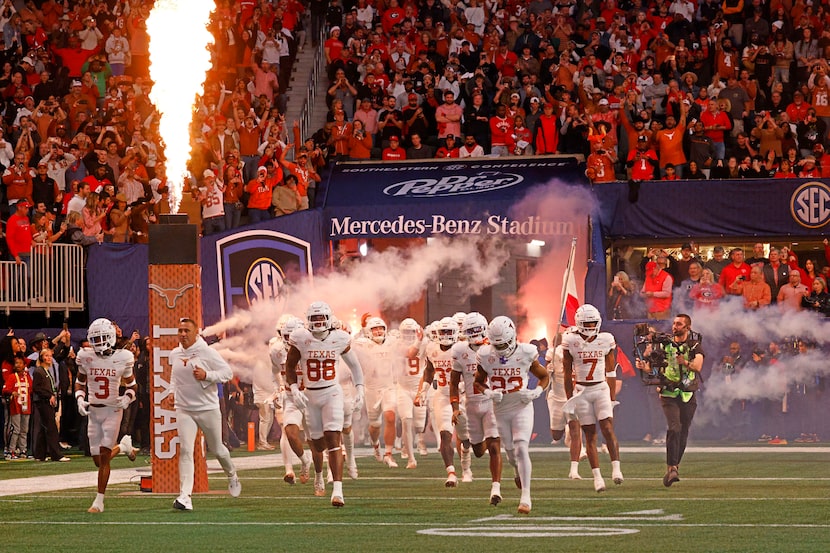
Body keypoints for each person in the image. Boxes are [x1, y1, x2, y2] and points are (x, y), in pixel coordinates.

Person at [285, 301, 366, 507]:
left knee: (333, 438)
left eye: (322, 318)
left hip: (332, 392)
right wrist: (294, 388)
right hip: (310, 395)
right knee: (318, 445)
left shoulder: (339, 338)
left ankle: (338, 491)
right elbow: (290, 366)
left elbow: (355, 366)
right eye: (314, 318)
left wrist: (360, 388)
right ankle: (318, 473)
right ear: (308, 321)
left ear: (329, 319)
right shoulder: (301, 338)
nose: (319, 322)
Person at [475, 316, 549, 514]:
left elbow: (544, 376)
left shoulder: (525, 352)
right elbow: (478, 382)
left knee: (521, 448)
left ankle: (526, 496)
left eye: (504, 344)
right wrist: (488, 392)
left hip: (522, 406)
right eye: (496, 345)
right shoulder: (484, 355)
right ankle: (517, 471)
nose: (501, 349)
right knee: (510, 454)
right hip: (500, 409)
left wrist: (536, 392)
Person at [169, 318, 241, 511]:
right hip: (184, 409)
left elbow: (227, 373)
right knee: (185, 449)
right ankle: (185, 496)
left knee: (217, 449)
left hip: (207, 408)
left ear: (196, 333)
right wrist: (170, 392)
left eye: (187, 330)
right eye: (180, 330)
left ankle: (232, 475)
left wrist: (207, 376)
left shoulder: (207, 352)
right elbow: (174, 376)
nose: (183, 334)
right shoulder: (175, 353)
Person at [74, 318, 137, 513]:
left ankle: (99, 501)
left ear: (110, 337)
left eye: (102, 338)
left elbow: (133, 386)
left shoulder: (123, 357)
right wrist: (79, 398)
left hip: (112, 410)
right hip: (94, 411)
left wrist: (127, 398)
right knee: (97, 460)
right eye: (95, 339)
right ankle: (124, 446)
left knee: (103, 456)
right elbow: (80, 382)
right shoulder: (85, 356)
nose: (98, 343)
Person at [636, 314, 704, 487]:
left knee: (683, 430)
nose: (675, 327)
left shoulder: (694, 344)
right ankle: (671, 468)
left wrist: (685, 362)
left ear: (687, 327)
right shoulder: (664, 344)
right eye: (674, 323)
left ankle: (676, 466)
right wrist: (645, 366)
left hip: (687, 392)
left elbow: (697, 366)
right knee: (674, 428)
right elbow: (653, 365)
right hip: (668, 391)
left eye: (679, 324)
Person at [562, 305, 623, 494]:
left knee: (607, 428)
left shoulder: (606, 339)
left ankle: (616, 468)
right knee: (589, 435)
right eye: (586, 323)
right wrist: (569, 398)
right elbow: (566, 373)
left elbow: (611, 371)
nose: (589, 326)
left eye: (592, 323)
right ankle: (597, 477)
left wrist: (612, 397)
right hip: (581, 391)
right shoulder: (570, 340)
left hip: (600, 388)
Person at [451, 312, 498, 502]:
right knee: (478, 451)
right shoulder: (459, 351)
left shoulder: (494, 347)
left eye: (477, 329)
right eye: (471, 330)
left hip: (491, 402)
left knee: (494, 444)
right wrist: (454, 406)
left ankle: (496, 488)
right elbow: (453, 382)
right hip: (471, 403)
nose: (475, 333)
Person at [415, 317, 460, 486]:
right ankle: (451, 473)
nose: (446, 335)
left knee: (468, 440)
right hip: (442, 395)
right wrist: (423, 391)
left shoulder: (462, 349)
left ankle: (466, 462)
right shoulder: (432, 348)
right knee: (444, 435)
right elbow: (429, 371)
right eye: (443, 332)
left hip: (463, 396)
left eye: (449, 332)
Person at [354, 317, 400, 467]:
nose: (378, 331)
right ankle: (375, 444)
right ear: (368, 331)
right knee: (375, 425)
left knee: (390, 416)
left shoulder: (392, 342)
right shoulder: (362, 344)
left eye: (381, 327)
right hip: (371, 389)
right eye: (374, 328)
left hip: (388, 387)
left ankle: (388, 454)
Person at [546, 330, 585, 480]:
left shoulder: (581, 351)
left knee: (576, 431)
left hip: (574, 397)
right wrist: (548, 370)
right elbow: (544, 373)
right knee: (556, 435)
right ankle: (566, 432)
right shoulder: (554, 352)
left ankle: (574, 470)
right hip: (557, 397)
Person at [31, 347, 69, 463]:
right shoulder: (39, 371)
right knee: (51, 428)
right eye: (46, 356)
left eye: (50, 355)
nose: (49, 358)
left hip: (47, 401)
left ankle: (40, 454)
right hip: (43, 402)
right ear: (41, 357)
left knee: (44, 428)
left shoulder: (46, 370)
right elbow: (36, 388)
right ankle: (56, 454)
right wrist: (49, 395)